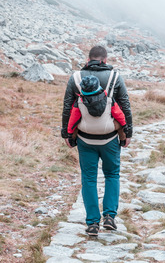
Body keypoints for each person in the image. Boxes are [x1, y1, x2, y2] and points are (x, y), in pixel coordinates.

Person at [61, 45, 133, 236]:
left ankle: (92, 223)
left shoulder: (75, 78)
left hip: (85, 139)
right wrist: (128, 133)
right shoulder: (115, 77)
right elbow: (124, 105)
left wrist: (66, 134)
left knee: (89, 179)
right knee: (112, 175)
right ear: (105, 60)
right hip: (109, 138)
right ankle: (109, 216)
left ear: (88, 59)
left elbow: (68, 107)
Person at [67, 75, 127, 147]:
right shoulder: (109, 99)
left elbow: (73, 119)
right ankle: (122, 140)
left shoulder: (79, 101)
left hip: (86, 130)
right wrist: (125, 126)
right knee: (120, 125)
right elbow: (119, 115)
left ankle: (73, 141)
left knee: (75, 125)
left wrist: (70, 134)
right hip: (107, 129)